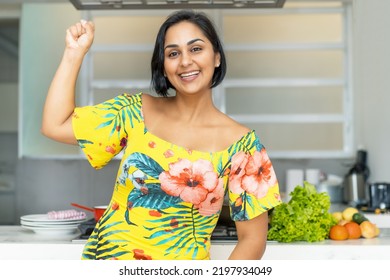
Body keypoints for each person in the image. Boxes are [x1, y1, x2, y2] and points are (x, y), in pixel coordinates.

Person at [41, 9, 282, 260]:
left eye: (196, 49)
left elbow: (253, 239)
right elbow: (54, 125)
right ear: (164, 66)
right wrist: (73, 53)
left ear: (217, 58)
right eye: (173, 53)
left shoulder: (244, 146)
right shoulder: (134, 112)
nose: (185, 61)